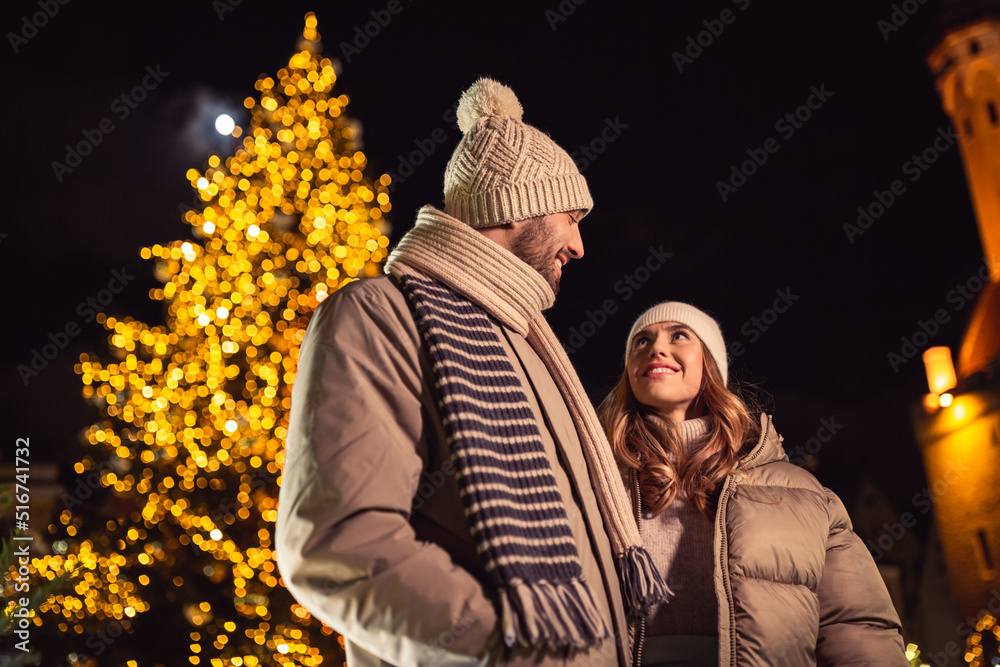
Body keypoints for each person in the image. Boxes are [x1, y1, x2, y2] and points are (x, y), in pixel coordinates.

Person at [276, 78, 666, 667]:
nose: (580, 244)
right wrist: (511, 650)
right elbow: (338, 546)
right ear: (514, 207)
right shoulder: (381, 316)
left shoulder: (532, 347)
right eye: (570, 216)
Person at [598, 301, 909, 666]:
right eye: (641, 341)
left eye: (678, 335)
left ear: (711, 364)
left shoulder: (803, 494)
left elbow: (855, 629)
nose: (656, 348)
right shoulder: (593, 482)